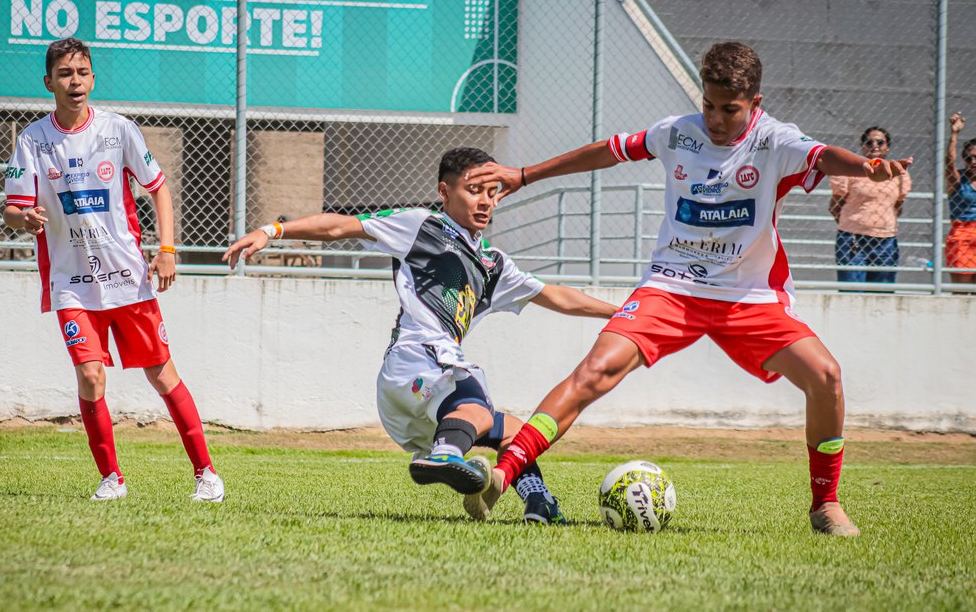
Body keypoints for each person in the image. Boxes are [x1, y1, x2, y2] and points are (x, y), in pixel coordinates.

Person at [464, 42, 913, 536]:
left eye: (730, 109)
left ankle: (825, 505)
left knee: (825, 376)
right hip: (671, 287)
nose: (716, 118)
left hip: (748, 298)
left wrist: (864, 167)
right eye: (709, 104)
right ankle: (501, 478)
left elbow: (822, 155)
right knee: (595, 370)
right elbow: (610, 151)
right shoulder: (678, 133)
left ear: (754, 103)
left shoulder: (775, 140)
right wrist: (524, 175)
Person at [223, 147, 618, 524]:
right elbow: (340, 225)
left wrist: (624, 313)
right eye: (474, 189)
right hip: (419, 357)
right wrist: (272, 230)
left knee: (518, 431)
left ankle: (538, 501)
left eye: (493, 192)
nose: (486, 201)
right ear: (444, 192)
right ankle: (447, 453)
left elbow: (557, 296)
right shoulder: (423, 225)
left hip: (419, 388)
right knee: (477, 405)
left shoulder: (494, 265)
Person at [2, 38, 224, 502]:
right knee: (90, 375)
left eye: (82, 72)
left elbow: (158, 188)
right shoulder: (32, 140)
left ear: (93, 79)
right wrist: (24, 218)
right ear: (49, 83)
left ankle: (206, 473)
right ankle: (112, 478)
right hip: (72, 284)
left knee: (162, 375)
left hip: (127, 279)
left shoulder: (118, 130)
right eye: (65, 74)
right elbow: (12, 210)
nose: (75, 81)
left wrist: (167, 249)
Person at [828, 127, 911, 286]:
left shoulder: (898, 172)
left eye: (880, 142)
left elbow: (898, 206)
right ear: (862, 146)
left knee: (883, 292)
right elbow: (835, 205)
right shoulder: (851, 170)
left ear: (887, 147)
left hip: (886, 240)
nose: (875, 146)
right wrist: (854, 223)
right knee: (852, 290)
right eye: (869, 142)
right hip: (853, 239)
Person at [945, 112, 976, 286]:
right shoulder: (958, 180)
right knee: (962, 290)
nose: (972, 161)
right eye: (968, 157)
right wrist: (954, 134)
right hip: (962, 236)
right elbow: (949, 163)